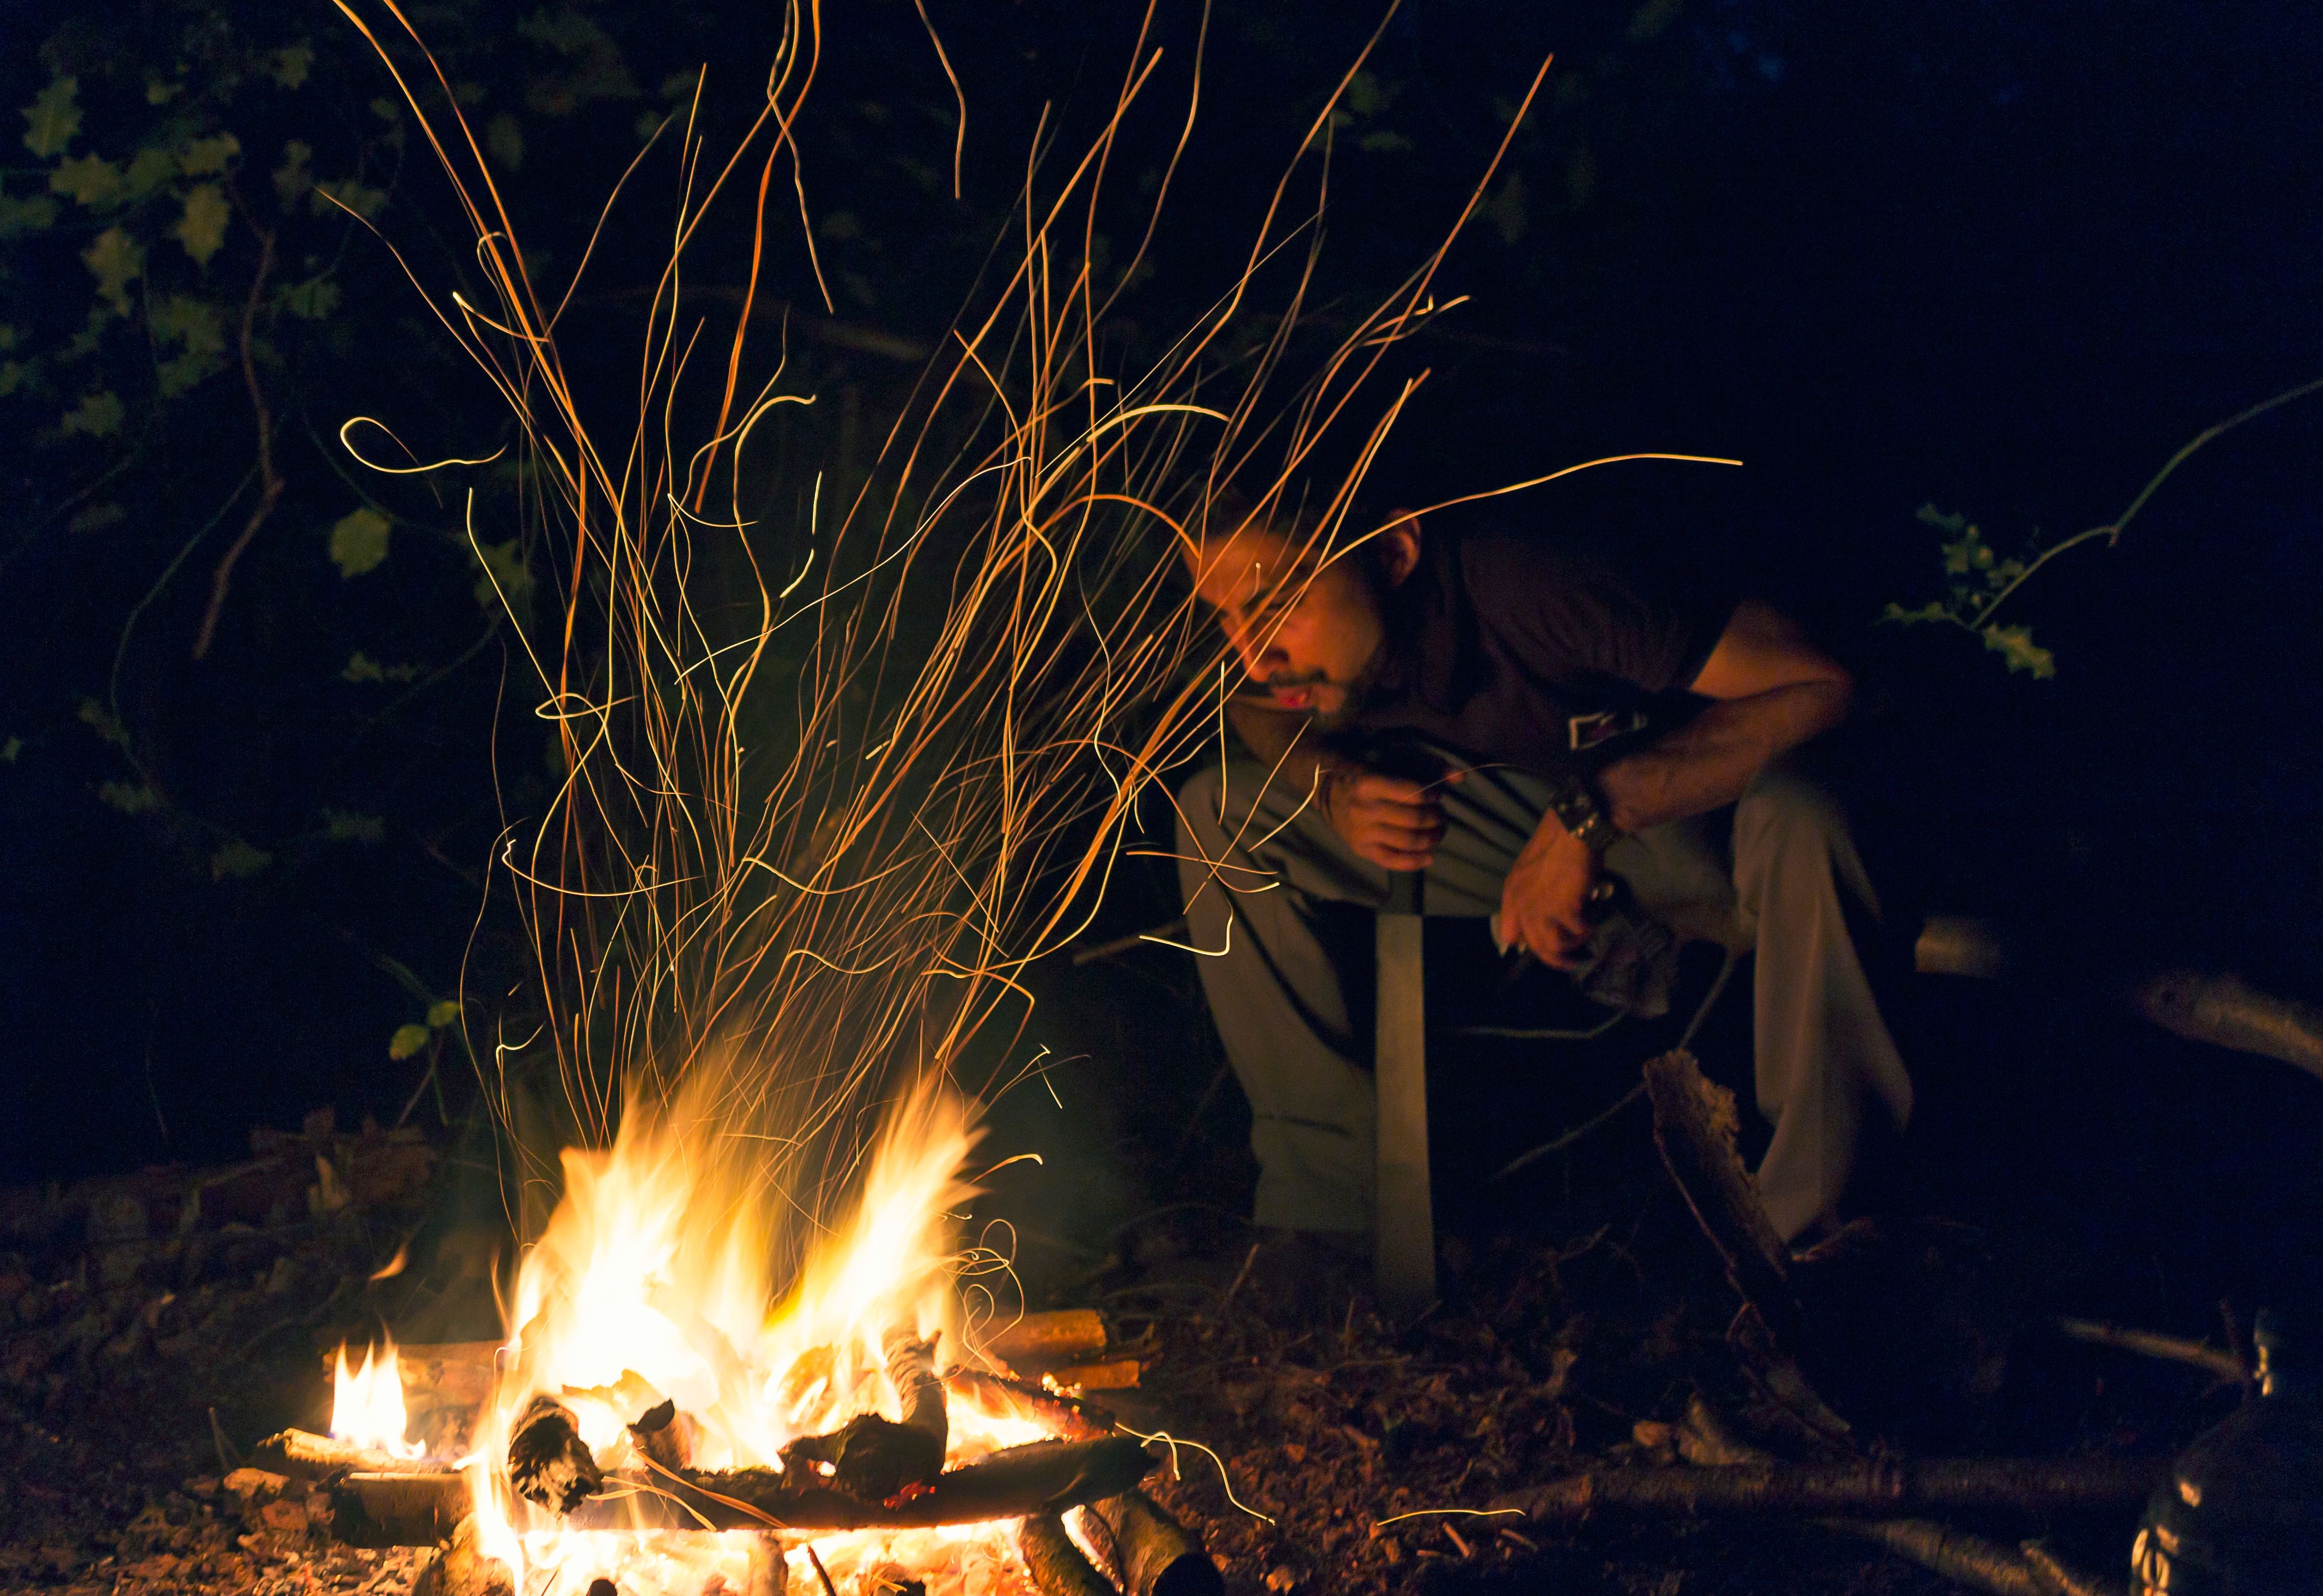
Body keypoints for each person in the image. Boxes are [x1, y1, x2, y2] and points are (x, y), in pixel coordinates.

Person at [1172, 483, 1913, 1248]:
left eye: (1275, 610)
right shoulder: (1320, 660)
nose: (1256, 658)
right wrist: (1332, 787)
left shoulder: (1533, 581)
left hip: (1729, 816)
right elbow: (1253, 708)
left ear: (1393, 553)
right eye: (1226, 620)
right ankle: (1328, 1221)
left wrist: (1593, 814)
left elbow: (1824, 684)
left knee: (1806, 819)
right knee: (1222, 814)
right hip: (1562, 822)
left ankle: (1815, 1251)